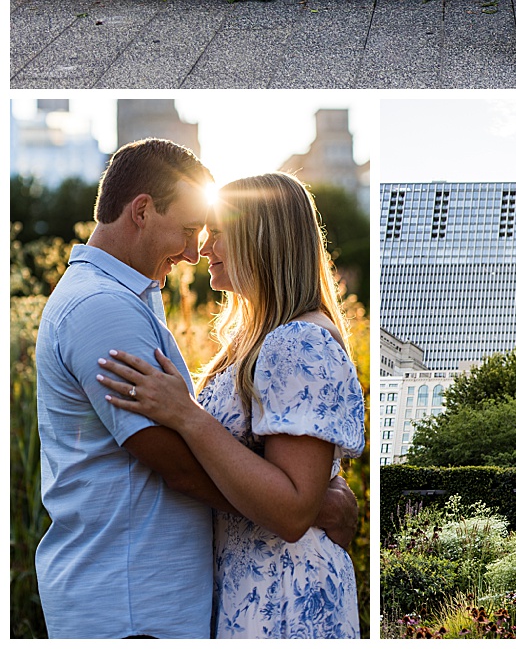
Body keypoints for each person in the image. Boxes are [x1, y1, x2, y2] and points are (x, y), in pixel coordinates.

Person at [34, 139, 358, 639]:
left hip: (275, 595)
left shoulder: (294, 340)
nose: (196, 250)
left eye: (214, 233)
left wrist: (298, 501)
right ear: (142, 211)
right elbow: (174, 461)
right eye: (191, 230)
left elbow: (214, 452)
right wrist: (315, 505)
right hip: (135, 600)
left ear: (261, 241)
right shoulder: (102, 306)